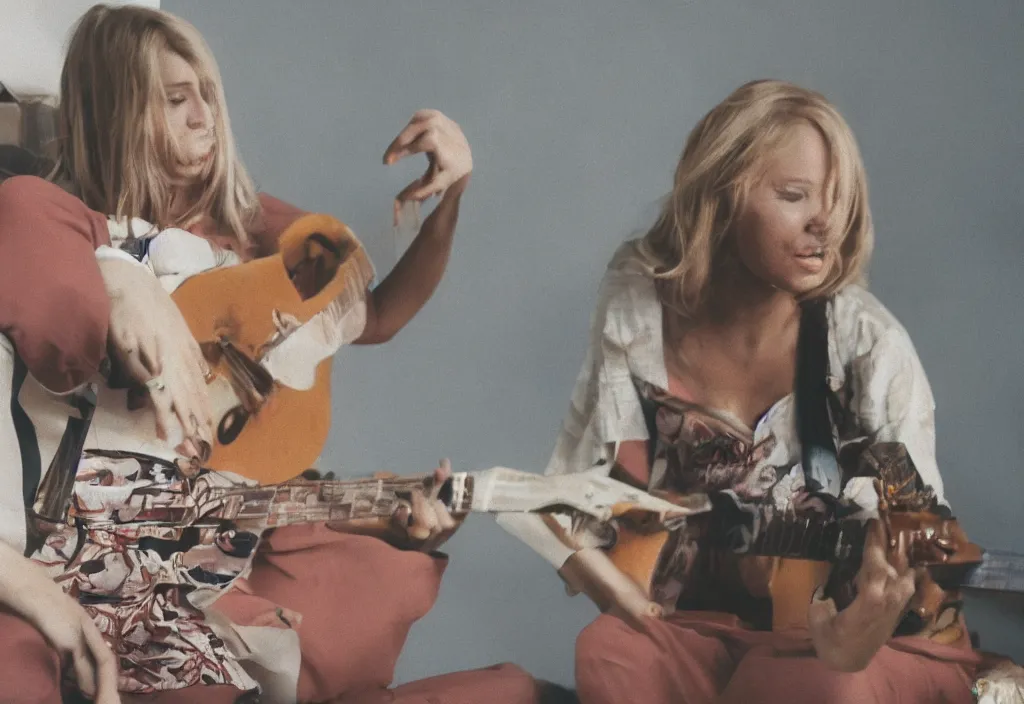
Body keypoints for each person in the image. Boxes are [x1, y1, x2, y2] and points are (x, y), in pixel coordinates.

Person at [0, 4, 538, 703]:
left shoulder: (246, 235)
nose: (205, 115)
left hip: (188, 565)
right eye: (175, 99)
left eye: (210, 95)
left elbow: (374, 316)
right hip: (68, 545)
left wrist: (452, 199)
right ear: (117, 112)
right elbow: (60, 329)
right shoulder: (54, 216)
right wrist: (122, 278)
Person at [542, 79, 983, 703]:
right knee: (610, 653)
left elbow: (913, 526)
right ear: (718, 198)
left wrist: (863, 615)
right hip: (708, 626)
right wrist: (611, 578)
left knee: (794, 678)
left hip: (864, 639)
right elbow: (589, 478)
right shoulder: (636, 304)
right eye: (794, 195)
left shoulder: (866, 344)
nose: (824, 223)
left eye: (839, 199)